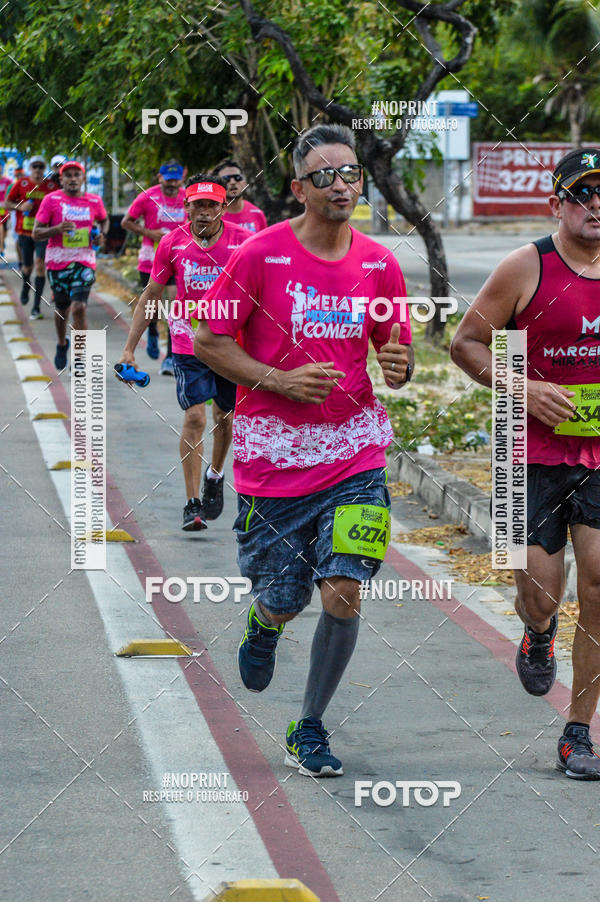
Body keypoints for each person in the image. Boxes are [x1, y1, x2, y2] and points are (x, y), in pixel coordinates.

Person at [195, 124, 413, 777]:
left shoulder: (379, 261)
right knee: (286, 596)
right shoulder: (260, 255)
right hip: (275, 455)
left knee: (344, 588)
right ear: (298, 187)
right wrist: (280, 380)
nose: (341, 185)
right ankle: (265, 623)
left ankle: (309, 725)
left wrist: (397, 365)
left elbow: (392, 354)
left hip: (355, 452)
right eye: (325, 176)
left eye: (350, 174)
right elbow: (210, 340)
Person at [451, 147, 600, 780]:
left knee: (599, 588)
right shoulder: (525, 267)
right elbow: (465, 343)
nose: (596, 205)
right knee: (541, 594)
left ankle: (577, 730)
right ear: (556, 204)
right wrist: (523, 389)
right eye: (582, 194)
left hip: (597, 455)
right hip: (525, 455)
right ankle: (537, 634)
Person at [118, 174, 248, 530]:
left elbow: (262, 296)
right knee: (195, 418)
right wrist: (130, 348)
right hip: (187, 341)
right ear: (186, 206)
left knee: (225, 418)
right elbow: (151, 295)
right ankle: (192, 504)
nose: (204, 212)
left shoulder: (244, 244)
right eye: (197, 205)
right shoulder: (172, 243)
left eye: (211, 205)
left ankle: (216, 475)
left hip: (231, 344)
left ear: (223, 207)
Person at [32, 161, 108, 370]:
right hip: (57, 261)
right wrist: (56, 229)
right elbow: (36, 232)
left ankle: (80, 355)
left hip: (84, 261)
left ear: (83, 179)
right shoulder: (51, 200)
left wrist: (102, 235)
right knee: (62, 309)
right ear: (61, 180)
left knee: (79, 307)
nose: (73, 179)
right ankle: (61, 343)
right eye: (69, 175)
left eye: (77, 175)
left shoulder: (94, 200)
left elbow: (104, 220)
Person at [121, 161, 186, 375]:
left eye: (176, 180)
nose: (172, 184)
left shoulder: (188, 199)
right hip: (150, 259)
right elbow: (126, 222)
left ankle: (169, 357)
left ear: (182, 179)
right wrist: (150, 233)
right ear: (160, 178)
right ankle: (151, 330)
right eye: (168, 180)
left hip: (179, 260)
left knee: (175, 306)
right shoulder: (147, 196)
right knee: (153, 304)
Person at [4, 156, 58, 315]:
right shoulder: (22, 184)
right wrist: (21, 206)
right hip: (25, 232)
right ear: (30, 168)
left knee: (40, 264)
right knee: (27, 267)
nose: (38, 169)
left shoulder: (51, 186)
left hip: (42, 233)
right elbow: (7, 203)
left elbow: (59, 206)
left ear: (44, 168)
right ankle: (26, 286)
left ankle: (36, 306)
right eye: (35, 166)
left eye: (41, 166)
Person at [212, 159, 267, 233]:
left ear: (244, 183)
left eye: (237, 177)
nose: (233, 182)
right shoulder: (211, 216)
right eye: (226, 179)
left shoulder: (257, 214)